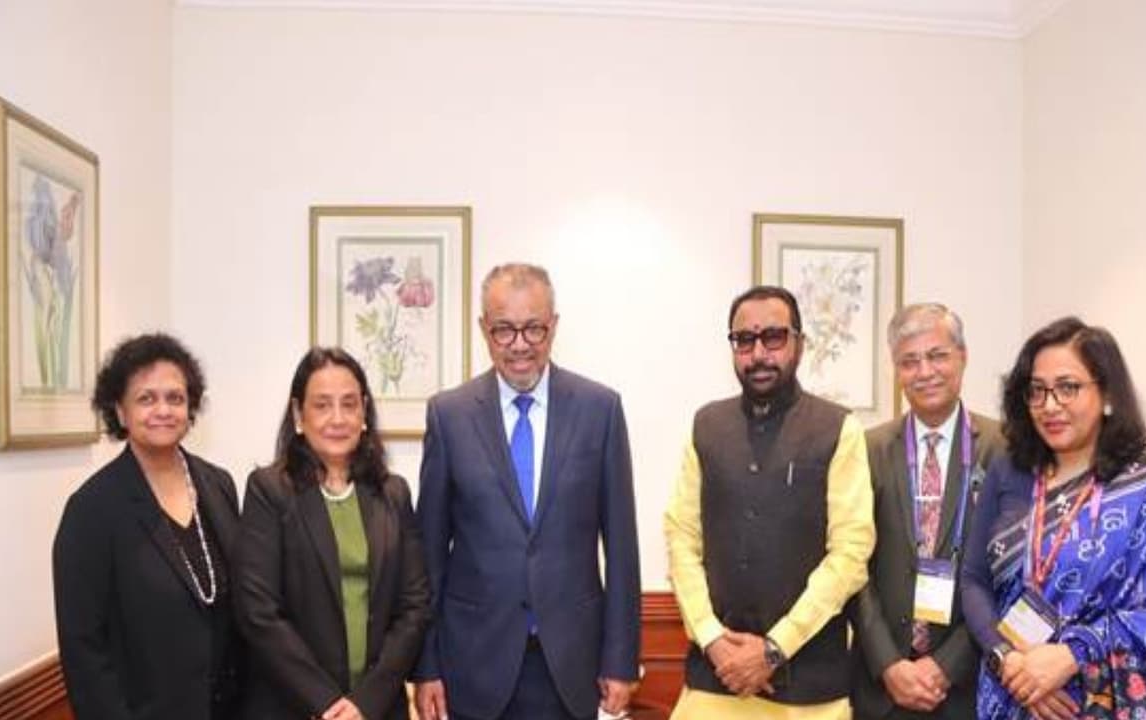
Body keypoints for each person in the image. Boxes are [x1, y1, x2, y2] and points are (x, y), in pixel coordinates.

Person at [960, 316, 1146, 719]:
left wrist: (1074, 654)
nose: (1050, 405)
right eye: (1037, 390)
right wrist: (1009, 662)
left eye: (1068, 387)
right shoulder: (1010, 469)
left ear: (1106, 393)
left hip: (1097, 702)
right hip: (1009, 693)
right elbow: (974, 578)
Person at [412, 263, 641, 720]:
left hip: (571, 665)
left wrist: (621, 660)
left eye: (533, 328)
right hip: (473, 664)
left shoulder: (600, 410)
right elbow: (428, 555)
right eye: (504, 330)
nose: (519, 345)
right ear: (484, 329)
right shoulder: (449, 415)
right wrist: (426, 665)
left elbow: (621, 547)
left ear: (553, 326)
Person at [664, 285, 875, 720]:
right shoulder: (706, 425)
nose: (758, 353)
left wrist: (775, 648)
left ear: (799, 343)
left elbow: (851, 553)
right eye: (744, 340)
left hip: (810, 690)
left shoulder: (839, 428)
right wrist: (712, 638)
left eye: (773, 337)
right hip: (714, 678)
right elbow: (681, 536)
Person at [235, 347, 431, 720]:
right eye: (322, 405)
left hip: (377, 708)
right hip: (295, 706)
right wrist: (324, 702)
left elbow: (414, 606)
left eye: (349, 404)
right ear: (298, 415)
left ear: (364, 413)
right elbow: (258, 611)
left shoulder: (393, 494)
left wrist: (365, 703)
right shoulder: (269, 491)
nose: (337, 418)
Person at [54, 333, 242, 720]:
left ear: (190, 407)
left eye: (175, 398)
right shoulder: (91, 509)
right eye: (146, 399)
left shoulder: (218, 485)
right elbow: (83, 651)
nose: (163, 410)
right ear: (120, 411)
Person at [853, 303, 1005, 719]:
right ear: (896, 370)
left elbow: (1008, 573)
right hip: (882, 690)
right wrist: (888, 664)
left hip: (968, 687)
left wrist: (947, 665)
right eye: (909, 361)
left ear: (963, 357)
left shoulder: (1004, 448)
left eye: (937, 356)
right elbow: (852, 566)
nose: (925, 372)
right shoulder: (866, 449)